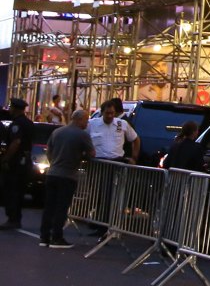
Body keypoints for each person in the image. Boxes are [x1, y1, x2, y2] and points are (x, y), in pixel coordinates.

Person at [40, 109, 93, 247]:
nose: (87, 123)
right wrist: (82, 156)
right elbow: (91, 153)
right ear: (79, 119)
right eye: (86, 120)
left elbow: (49, 150)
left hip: (52, 173)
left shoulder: (57, 132)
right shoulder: (82, 135)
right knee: (61, 207)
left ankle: (44, 237)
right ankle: (57, 237)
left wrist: (54, 162)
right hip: (68, 175)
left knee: (49, 206)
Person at [1, 97, 35, 229]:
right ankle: (16, 218)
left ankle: (12, 219)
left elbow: (16, 142)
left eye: (11, 107)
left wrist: (6, 159)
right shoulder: (29, 123)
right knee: (19, 190)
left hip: (16, 162)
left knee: (11, 190)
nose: (9, 109)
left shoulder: (17, 124)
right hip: (25, 161)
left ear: (15, 108)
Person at [88, 99, 140, 163]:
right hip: (97, 162)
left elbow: (136, 139)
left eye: (112, 113)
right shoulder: (92, 123)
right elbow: (81, 138)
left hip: (117, 162)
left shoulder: (122, 124)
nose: (110, 116)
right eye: (107, 113)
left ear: (115, 112)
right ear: (102, 112)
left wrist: (134, 157)